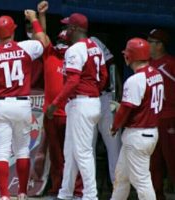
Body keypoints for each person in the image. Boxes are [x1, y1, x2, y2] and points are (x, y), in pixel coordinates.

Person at [0, 14, 45, 200]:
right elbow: (43, 41)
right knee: (22, 150)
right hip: (22, 105)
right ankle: (21, 192)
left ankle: (4, 195)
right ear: (13, 30)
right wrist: (35, 19)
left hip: (0, 105)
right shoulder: (25, 47)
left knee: (2, 151)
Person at [46, 13, 108, 200]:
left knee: (82, 152)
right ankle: (65, 193)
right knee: (70, 151)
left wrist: (55, 103)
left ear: (74, 29)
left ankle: (90, 196)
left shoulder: (75, 49)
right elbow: (104, 77)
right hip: (90, 102)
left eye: (67, 26)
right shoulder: (95, 47)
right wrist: (93, 92)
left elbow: (72, 81)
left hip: (81, 103)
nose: (65, 29)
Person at [34, 1, 83, 198]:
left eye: (65, 44)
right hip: (52, 114)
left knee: (75, 155)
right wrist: (40, 16)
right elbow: (42, 36)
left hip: (71, 113)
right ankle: (57, 189)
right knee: (56, 157)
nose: (62, 47)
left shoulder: (75, 58)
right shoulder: (49, 54)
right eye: (59, 43)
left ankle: (77, 191)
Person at [110, 38, 164, 200]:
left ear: (130, 56)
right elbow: (144, 104)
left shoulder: (135, 80)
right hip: (148, 132)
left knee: (142, 181)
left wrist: (114, 126)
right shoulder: (156, 73)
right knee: (122, 177)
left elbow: (127, 108)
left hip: (138, 135)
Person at [89, 36, 122, 185]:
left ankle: (119, 192)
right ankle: (89, 192)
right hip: (87, 99)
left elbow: (112, 67)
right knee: (87, 149)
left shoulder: (95, 40)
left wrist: (118, 98)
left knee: (114, 148)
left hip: (105, 97)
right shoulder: (68, 47)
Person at [148, 29, 175, 200]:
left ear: (160, 45)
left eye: (150, 41)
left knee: (172, 160)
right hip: (151, 119)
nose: (147, 44)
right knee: (153, 162)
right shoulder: (146, 64)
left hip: (170, 118)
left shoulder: (171, 63)